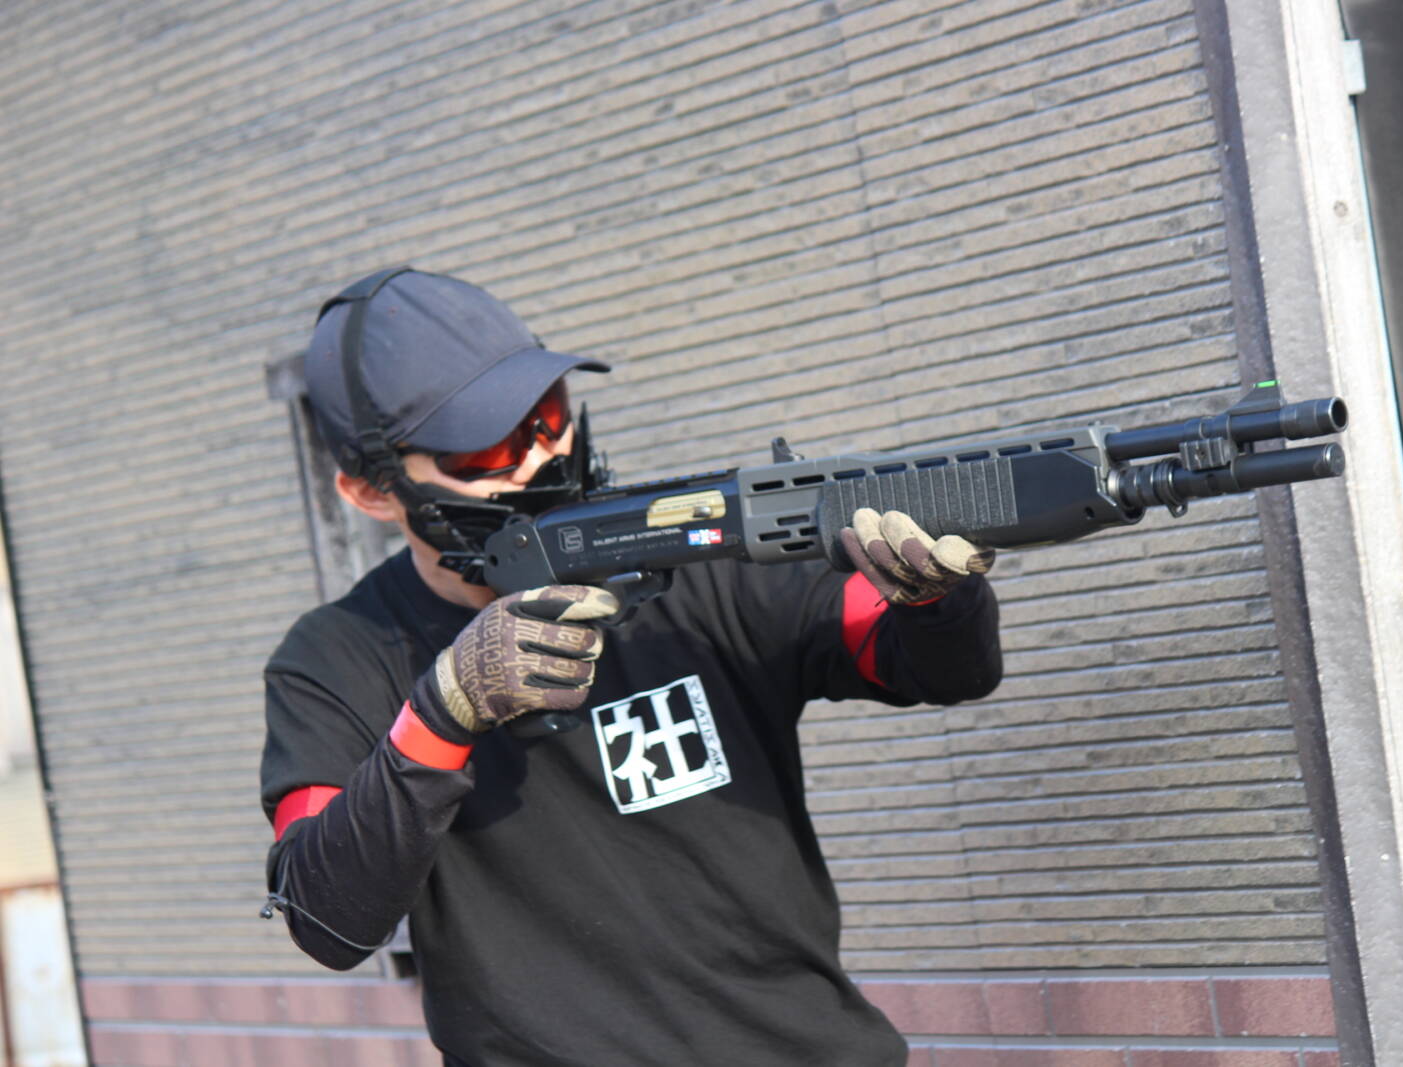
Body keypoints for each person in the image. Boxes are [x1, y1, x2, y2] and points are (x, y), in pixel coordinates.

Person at [259, 267, 1004, 1067]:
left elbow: (943, 670)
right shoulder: (335, 656)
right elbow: (329, 918)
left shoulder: (694, 546)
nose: (543, 456)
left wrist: (936, 597)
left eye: (547, 414)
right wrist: (445, 711)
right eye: (489, 447)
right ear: (371, 492)